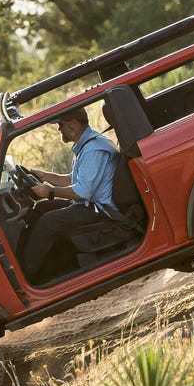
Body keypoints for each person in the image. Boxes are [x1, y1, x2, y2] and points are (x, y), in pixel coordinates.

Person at [22, 107, 120, 283]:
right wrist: (45, 176)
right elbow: (72, 181)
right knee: (42, 208)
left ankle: (27, 277)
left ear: (73, 123)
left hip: (101, 210)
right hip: (91, 204)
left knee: (48, 222)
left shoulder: (93, 150)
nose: (59, 129)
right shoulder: (86, 144)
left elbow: (82, 192)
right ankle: (37, 261)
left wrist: (49, 191)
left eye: (61, 124)